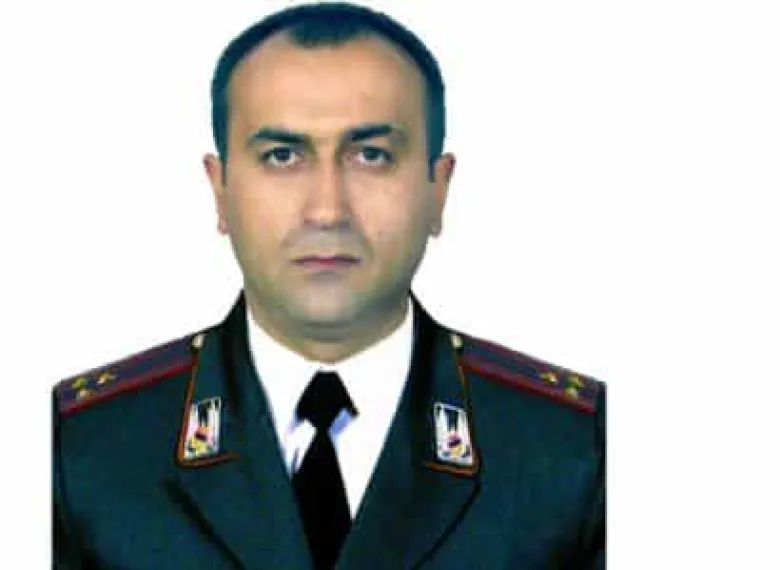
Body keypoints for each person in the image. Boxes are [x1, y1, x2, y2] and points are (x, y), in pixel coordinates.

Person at [52, 2, 606, 569]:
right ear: (221, 191)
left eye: (371, 156)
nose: (326, 210)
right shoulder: (80, 451)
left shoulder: (576, 453)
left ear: (437, 189)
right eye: (282, 156)